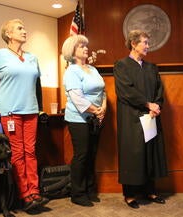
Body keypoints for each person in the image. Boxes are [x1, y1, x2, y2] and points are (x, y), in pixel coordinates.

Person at [0, 19, 49, 213]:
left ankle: (35, 192)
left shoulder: (33, 58)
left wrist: (41, 108)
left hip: (31, 112)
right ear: (8, 34)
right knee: (17, 154)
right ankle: (24, 195)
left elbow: (37, 86)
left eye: (24, 28)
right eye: (20, 28)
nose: (24, 31)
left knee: (31, 152)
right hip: (9, 112)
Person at [113, 30, 168, 209]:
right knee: (133, 154)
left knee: (150, 152)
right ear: (133, 44)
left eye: (147, 42)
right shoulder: (121, 65)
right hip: (131, 117)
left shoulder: (152, 67)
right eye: (144, 42)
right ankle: (129, 194)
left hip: (151, 117)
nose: (147, 46)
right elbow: (126, 92)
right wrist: (147, 104)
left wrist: (157, 106)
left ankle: (150, 191)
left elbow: (160, 90)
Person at [61, 34, 106, 207]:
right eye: (81, 46)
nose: (86, 48)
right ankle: (77, 194)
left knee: (92, 154)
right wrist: (96, 111)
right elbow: (77, 99)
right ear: (72, 52)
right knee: (82, 155)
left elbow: (103, 91)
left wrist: (103, 108)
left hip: (95, 117)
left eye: (86, 45)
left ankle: (88, 189)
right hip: (78, 119)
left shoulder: (92, 69)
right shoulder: (71, 71)